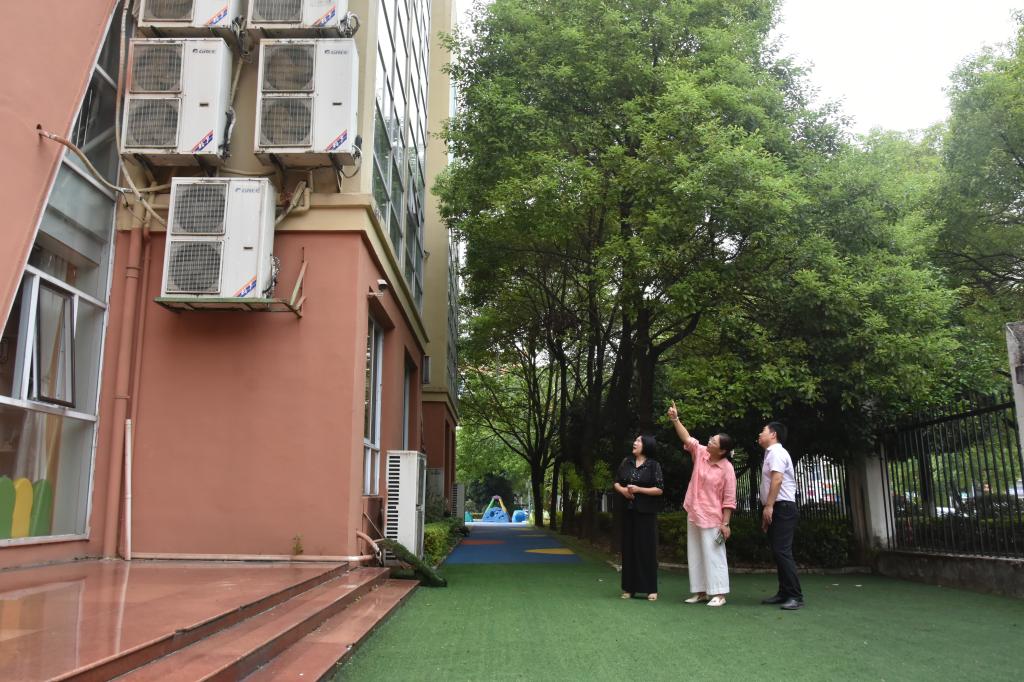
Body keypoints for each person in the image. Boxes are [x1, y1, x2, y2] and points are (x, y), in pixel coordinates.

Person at [667, 401, 736, 607]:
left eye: (714, 441)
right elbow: (687, 438)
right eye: (711, 439)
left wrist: (725, 524)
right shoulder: (702, 453)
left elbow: (729, 499)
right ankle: (701, 592)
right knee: (695, 553)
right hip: (694, 511)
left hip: (713, 517)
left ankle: (720, 594)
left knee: (714, 554)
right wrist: (675, 419)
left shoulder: (727, 469)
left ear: (722, 451)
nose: (710, 441)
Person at [758, 421, 804, 610]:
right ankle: (784, 593)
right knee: (778, 551)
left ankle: (795, 596)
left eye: (763, 431)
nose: (760, 434)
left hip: (782, 507)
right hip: (777, 506)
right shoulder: (771, 453)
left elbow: (777, 479)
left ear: (773, 434)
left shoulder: (776, 452)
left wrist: (769, 506)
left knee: (782, 551)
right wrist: (768, 507)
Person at [613, 434, 664, 601]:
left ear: (646, 445)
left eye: (638, 441)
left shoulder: (653, 465)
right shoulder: (626, 462)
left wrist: (638, 490)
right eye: (635, 440)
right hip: (628, 511)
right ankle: (629, 588)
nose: (634, 443)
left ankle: (650, 589)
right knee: (628, 549)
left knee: (646, 549)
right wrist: (623, 491)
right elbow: (617, 482)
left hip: (646, 513)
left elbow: (659, 489)